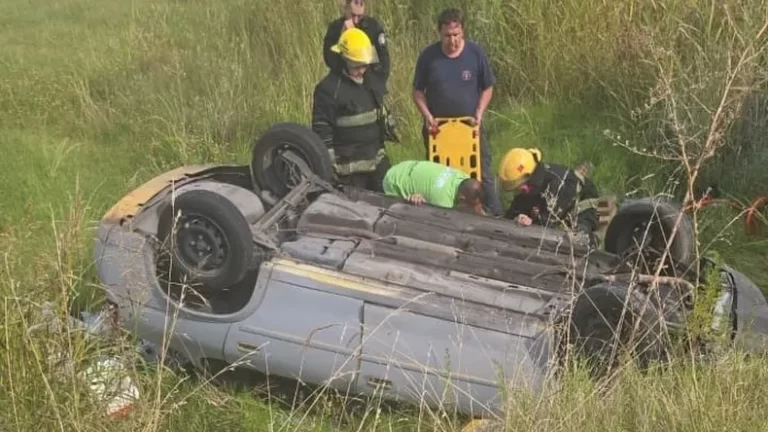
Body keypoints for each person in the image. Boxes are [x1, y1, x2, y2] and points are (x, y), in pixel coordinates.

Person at [412, 7, 503, 216]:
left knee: (483, 172)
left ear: (462, 32)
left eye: (456, 35)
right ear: (439, 33)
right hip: (439, 129)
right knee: (439, 173)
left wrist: (479, 113)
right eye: (447, 36)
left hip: (469, 127)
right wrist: (427, 116)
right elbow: (417, 91)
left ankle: (496, 215)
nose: (452, 41)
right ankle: (440, 212)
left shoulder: (475, 53)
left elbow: (487, 87)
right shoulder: (428, 57)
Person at [311, 27, 390, 191]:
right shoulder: (328, 89)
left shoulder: (370, 81)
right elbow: (322, 128)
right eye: (356, 66)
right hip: (348, 172)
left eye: (364, 65)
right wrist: (329, 165)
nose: (361, 70)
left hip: (377, 162)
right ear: (343, 60)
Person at [497, 147, 601, 246]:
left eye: (518, 188)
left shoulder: (558, 184)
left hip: (580, 201)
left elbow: (547, 224)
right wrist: (518, 216)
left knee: (578, 239)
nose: (517, 192)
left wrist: (532, 221)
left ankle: (595, 240)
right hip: (553, 203)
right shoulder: (531, 184)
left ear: (528, 179)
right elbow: (511, 214)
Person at [382, 160, 485, 215]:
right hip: (394, 180)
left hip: (406, 165)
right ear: (461, 199)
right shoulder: (444, 203)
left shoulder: (463, 176)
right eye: (470, 205)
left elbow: (476, 205)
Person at [323, 0, 390, 84]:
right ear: (346, 7)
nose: (355, 20)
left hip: (369, 83)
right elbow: (329, 59)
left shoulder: (373, 28)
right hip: (343, 81)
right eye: (353, 15)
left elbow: (383, 63)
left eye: (359, 16)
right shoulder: (335, 28)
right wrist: (342, 38)